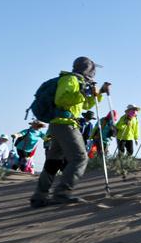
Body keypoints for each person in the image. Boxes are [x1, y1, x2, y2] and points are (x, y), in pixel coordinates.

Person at [31, 56, 110, 206]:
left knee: (53, 161)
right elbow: (61, 100)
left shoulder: (79, 81)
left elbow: (85, 105)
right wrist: (83, 93)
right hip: (65, 124)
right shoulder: (70, 79)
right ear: (89, 69)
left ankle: (39, 196)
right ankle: (62, 193)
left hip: (60, 125)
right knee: (80, 158)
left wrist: (98, 93)